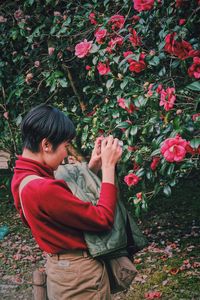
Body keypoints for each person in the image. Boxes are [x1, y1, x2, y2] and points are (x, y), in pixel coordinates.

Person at [11, 104, 122, 300]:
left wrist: (92, 168)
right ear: (46, 145)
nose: (67, 154)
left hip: (61, 270)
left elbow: (64, 208)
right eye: (65, 145)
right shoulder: (43, 189)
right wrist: (108, 167)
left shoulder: (22, 178)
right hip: (79, 277)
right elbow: (103, 219)